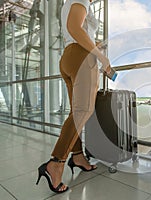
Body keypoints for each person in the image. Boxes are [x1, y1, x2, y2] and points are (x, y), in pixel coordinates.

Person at [36, 0, 111, 193]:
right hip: (81, 57)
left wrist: (95, 44)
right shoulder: (82, 0)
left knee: (76, 111)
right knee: (83, 110)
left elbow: (75, 31)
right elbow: (74, 28)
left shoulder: (69, 3)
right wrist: (101, 57)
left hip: (69, 57)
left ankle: (77, 156)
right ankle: (56, 162)